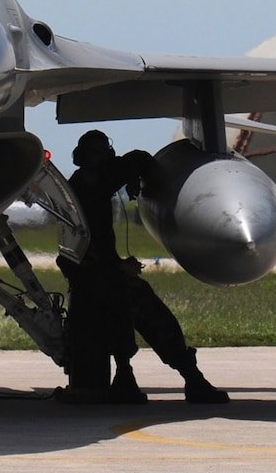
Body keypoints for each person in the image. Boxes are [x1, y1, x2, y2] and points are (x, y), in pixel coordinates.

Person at [60, 130, 228, 404]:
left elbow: (137, 160)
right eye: (95, 154)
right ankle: (181, 376)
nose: (99, 160)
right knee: (133, 307)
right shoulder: (86, 189)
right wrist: (118, 267)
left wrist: (134, 181)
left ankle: (147, 376)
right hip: (92, 274)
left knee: (130, 305)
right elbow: (87, 247)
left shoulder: (91, 182)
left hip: (96, 273)